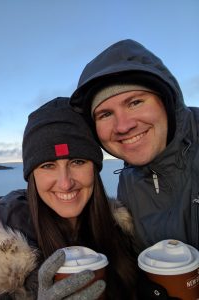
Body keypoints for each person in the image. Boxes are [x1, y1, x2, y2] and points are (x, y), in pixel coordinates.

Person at [0, 97, 139, 299]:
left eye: (77, 161)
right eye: (48, 166)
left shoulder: (120, 227)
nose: (65, 183)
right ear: (32, 176)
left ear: (94, 168)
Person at [70, 39, 199, 251]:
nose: (123, 126)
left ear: (166, 101)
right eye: (105, 114)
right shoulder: (129, 180)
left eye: (135, 102)